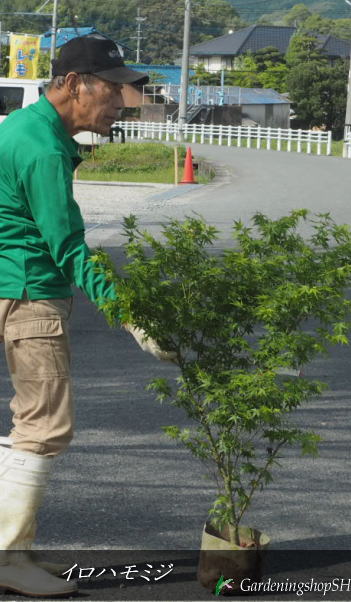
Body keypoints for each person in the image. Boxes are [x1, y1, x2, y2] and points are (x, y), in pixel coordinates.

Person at [0, 36, 175, 597]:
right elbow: (69, 247)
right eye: (113, 88)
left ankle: (14, 549)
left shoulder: (24, 129)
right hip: (30, 294)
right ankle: (8, 559)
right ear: (75, 84)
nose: (122, 102)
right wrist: (132, 316)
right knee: (45, 426)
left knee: (28, 423)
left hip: (12, 282)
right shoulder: (44, 149)